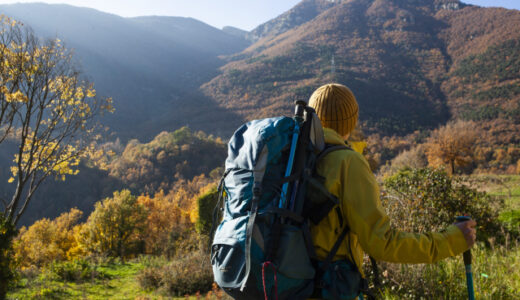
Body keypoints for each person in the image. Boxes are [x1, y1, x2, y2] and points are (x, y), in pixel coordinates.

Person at [307, 83, 477, 292]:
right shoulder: (348, 163)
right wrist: (451, 241)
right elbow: (382, 243)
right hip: (325, 289)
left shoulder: (296, 159)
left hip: (283, 287)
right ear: (351, 122)